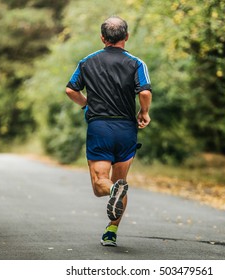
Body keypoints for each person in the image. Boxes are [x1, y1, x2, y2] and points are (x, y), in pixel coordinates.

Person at [65, 16, 152, 246]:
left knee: (99, 184)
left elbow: (70, 90)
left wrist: (86, 104)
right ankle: (111, 230)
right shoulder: (136, 63)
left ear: (102, 38)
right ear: (126, 37)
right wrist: (144, 112)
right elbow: (144, 92)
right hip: (126, 129)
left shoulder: (87, 62)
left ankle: (113, 189)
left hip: (100, 127)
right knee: (121, 180)